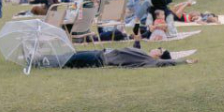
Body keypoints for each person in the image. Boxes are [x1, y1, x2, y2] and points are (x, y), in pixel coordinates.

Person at [63, 45, 195, 68]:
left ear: (157, 56)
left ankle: (44, 62)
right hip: (100, 52)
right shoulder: (142, 53)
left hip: (99, 58)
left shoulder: (148, 60)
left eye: (159, 49)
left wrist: (183, 61)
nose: (156, 48)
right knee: (70, 54)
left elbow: (164, 63)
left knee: (67, 59)